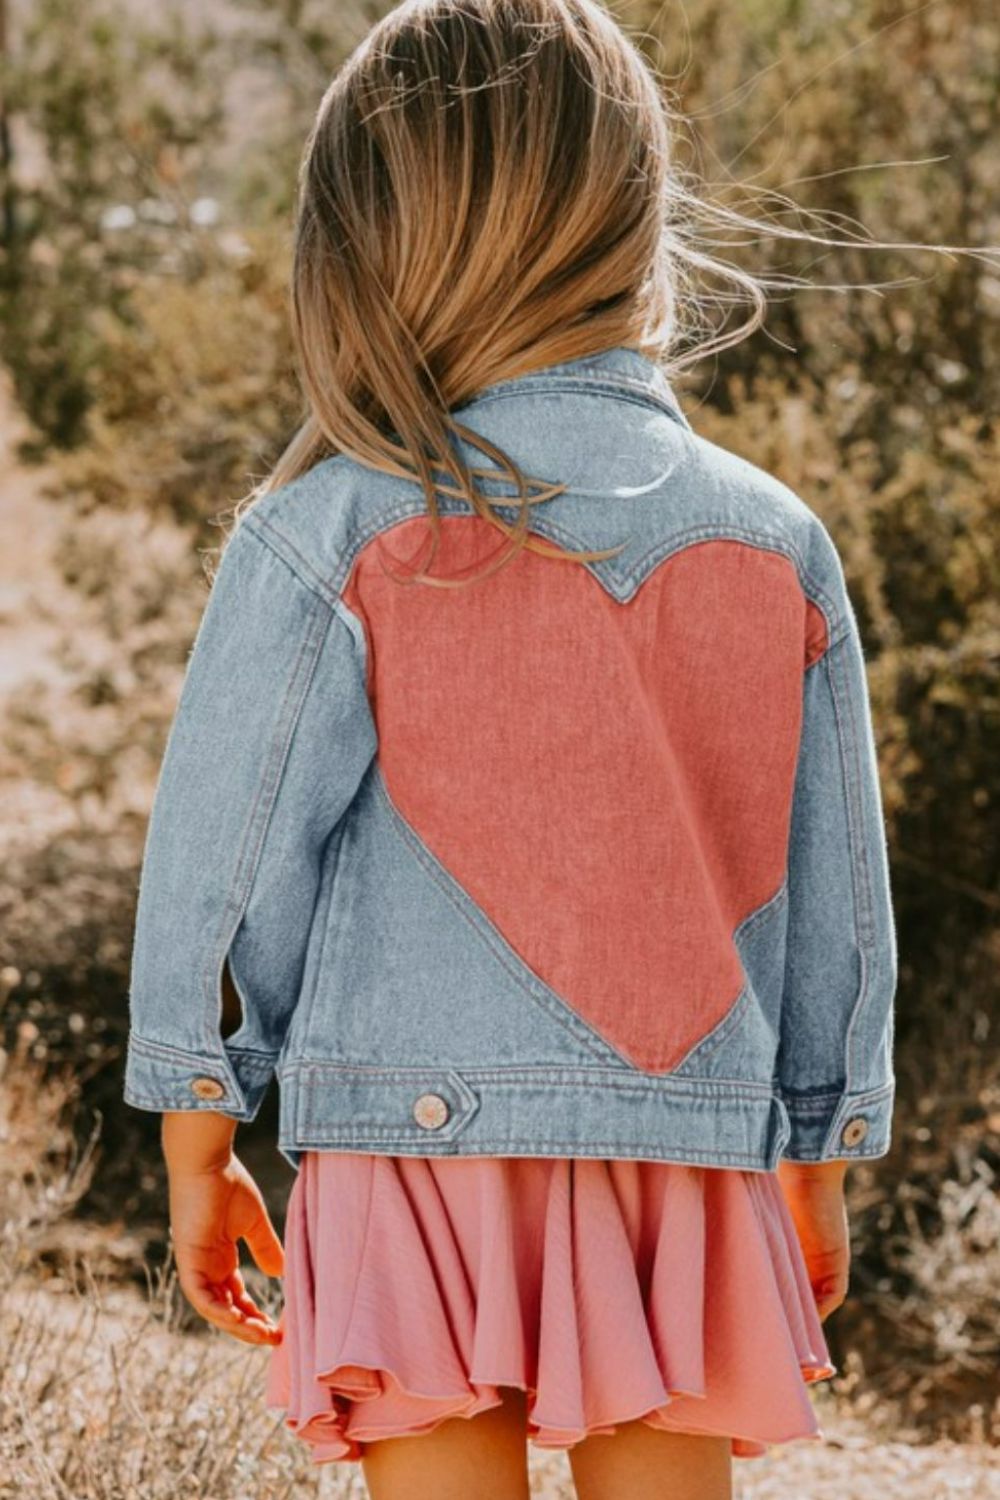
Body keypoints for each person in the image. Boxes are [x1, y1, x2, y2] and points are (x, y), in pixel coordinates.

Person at [122, 2, 899, 1497]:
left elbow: (226, 870)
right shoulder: (775, 539)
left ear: (370, 230)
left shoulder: (331, 529)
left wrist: (197, 1139)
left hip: (409, 1144)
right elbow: (834, 899)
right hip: (687, 1143)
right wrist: (816, 1151)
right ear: (633, 214)